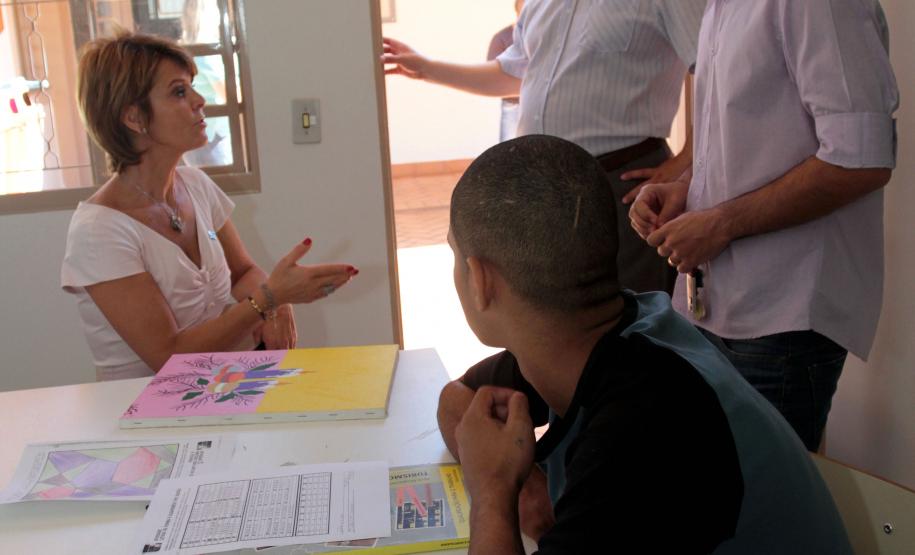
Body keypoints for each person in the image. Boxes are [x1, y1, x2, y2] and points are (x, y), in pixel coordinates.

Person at [439, 135, 851, 553]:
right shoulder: (613, 328)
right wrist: (528, 493)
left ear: (481, 281)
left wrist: (492, 491)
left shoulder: (646, 433)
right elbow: (456, 399)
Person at [629, 0, 898, 451]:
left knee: (764, 507)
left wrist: (721, 222)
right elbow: (754, 140)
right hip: (720, 305)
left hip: (783, 315)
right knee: (719, 496)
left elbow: (862, 160)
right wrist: (688, 187)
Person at [61, 32, 358, 381]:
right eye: (179, 92)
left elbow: (243, 273)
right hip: (141, 411)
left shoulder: (194, 184)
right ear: (133, 117)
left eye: (192, 87)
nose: (199, 100)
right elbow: (168, 357)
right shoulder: (99, 231)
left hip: (221, 384)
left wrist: (278, 302)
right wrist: (270, 298)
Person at [382, 0, 707, 294]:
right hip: (541, 188)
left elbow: (711, 67)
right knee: (551, 313)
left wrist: (689, 157)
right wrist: (426, 69)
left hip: (622, 183)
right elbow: (511, 74)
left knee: (632, 314)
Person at [486, 0, 523, 141]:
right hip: (513, 106)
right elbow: (493, 80)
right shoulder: (501, 38)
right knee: (509, 150)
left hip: (540, 104)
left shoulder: (546, 38)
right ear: (517, 11)